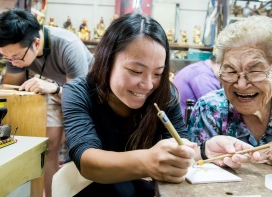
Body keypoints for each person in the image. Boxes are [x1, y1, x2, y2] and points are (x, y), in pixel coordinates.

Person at [62, 13, 261, 197]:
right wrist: (146, 162)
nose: (148, 84)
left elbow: (180, 145)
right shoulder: (79, 92)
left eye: (157, 73)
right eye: (135, 71)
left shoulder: (165, 94)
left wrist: (205, 151)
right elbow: (87, 161)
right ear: (107, 59)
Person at [0, 8, 93, 197]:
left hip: (88, 94)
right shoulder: (16, 50)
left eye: (16, 57)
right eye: (6, 57)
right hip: (57, 88)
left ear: (36, 43)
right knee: (48, 147)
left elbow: (78, 101)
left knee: (75, 147)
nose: (12, 62)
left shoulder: (68, 46)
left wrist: (53, 88)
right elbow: (10, 87)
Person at [188, 15, 272, 172]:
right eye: (231, 71)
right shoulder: (210, 109)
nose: (241, 85)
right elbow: (194, 170)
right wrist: (265, 153)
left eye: (255, 71)